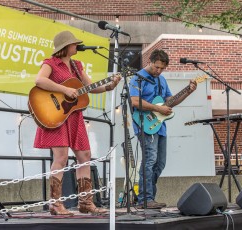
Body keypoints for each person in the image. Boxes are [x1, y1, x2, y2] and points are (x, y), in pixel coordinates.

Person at [33, 31, 121, 215]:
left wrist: (109, 85)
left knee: (85, 155)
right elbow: (39, 80)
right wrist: (65, 89)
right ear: (65, 47)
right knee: (61, 158)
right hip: (56, 116)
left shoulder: (76, 65)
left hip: (74, 116)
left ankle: (86, 203)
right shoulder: (51, 63)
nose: (77, 46)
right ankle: (55, 204)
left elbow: (91, 87)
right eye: (74, 44)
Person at [129, 49, 197, 208]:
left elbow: (170, 101)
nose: (159, 71)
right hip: (144, 124)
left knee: (160, 163)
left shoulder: (162, 80)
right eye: (156, 67)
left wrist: (188, 91)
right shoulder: (138, 78)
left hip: (160, 126)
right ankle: (144, 199)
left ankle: (149, 197)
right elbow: (134, 101)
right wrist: (158, 109)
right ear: (149, 62)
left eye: (162, 68)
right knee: (149, 160)